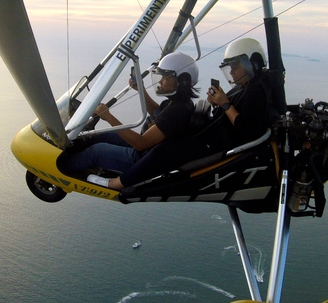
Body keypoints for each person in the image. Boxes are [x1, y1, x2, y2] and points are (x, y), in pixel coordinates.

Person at [106, 38, 279, 192]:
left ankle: (121, 183)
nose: (232, 72)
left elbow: (246, 128)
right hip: (216, 135)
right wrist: (219, 103)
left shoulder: (256, 92)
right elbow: (160, 113)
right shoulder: (250, 85)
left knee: (164, 150)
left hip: (220, 142)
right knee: (164, 146)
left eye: (235, 66)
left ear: (253, 64)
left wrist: (225, 104)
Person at [64, 52, 199, 189]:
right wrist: (140, 89)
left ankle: (63, 167)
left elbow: (141, 144)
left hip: (141, 159)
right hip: (146, 149)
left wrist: (109, 117)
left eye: (165, 77)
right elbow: (156, 113)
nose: (160, 81)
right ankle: (74, 153)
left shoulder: (178, 111)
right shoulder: (180, 103)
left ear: (182, 80)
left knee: (96, 151)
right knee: (99, 136)